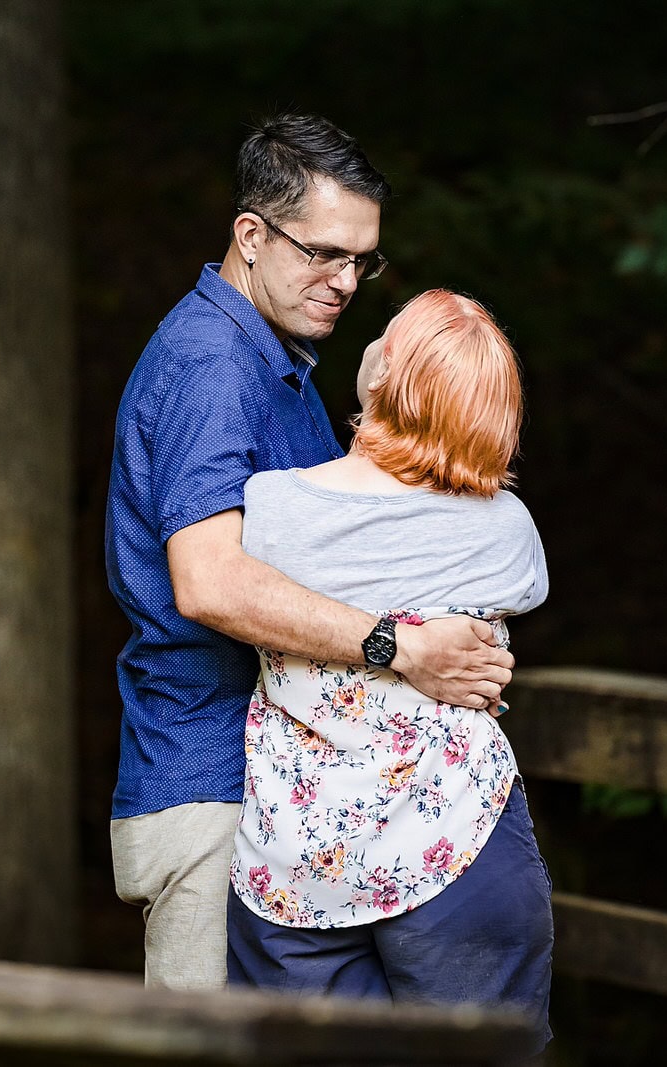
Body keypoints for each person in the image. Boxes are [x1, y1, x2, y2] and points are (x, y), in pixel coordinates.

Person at [105, 112, 515, 991]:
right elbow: (209, 581)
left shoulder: (278, 360)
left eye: (362, 260)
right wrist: (403, 647)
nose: (345, 281)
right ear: (250, 236)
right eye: (322, 253)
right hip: (211, 785)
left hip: (283, 792)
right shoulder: (212, 364)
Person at [226, 289, 551, 1057]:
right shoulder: (506, 533)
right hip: (459, 845)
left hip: (298, 864)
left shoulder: (270, 513)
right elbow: (526, 592)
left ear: (384, 379)